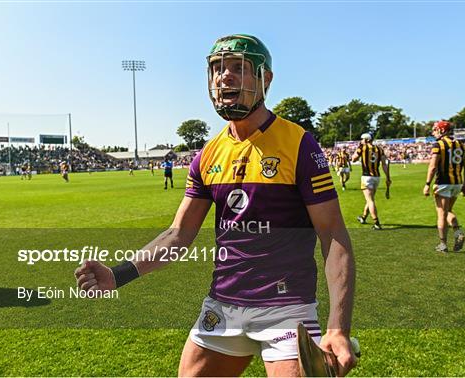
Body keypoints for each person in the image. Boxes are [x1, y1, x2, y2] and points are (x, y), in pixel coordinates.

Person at [75, 34, 357, 377]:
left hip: (285, 309)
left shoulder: (298, 143)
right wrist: (116, 276)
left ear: (265, 79)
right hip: (222, 307)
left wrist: (337, 328)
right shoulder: (208, 154)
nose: (224, 77)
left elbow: (332, 234)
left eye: (238, 68)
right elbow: (178, 235)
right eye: (217, 69)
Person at [423, 120, 465, 253]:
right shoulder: (461, 145)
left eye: (435, 130)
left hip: (443, 183)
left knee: (441, 214)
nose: (433, 132)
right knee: (448, 210)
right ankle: (457, 232)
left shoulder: (438, 145)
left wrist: (427, 184)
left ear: (442, 131)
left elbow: (432, 167)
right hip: (457, 183)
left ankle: (443, 244)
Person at [352, 133, 391, 230]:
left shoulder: (362, 148)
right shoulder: (379, 149)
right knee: (370, 199)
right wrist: (388, 177)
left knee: (370, 200)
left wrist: (359, 149)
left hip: (366, 177)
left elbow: (353, 159)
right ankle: (364, 217)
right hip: (376, 177)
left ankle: (376, 222)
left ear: (366, 139)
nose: (361, 141)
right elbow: (384, 164)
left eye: (362, 139)